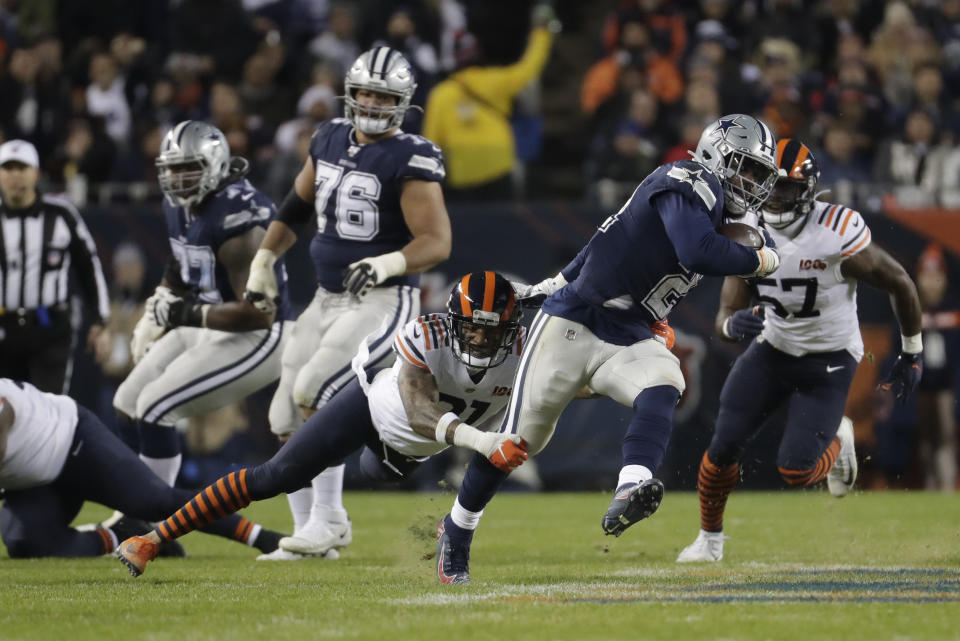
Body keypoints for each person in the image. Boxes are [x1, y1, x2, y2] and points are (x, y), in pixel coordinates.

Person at [433, 114, 783, 584]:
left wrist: (759, 243)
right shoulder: (687, 178)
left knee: (664, 381)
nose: (752, 182)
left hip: (631, 330)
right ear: (716, 154)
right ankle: (457, 530)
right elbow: (698, 251)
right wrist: (759, 257)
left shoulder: (730, 209)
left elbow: (605, 237)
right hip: (575, 323)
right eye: (747, 167)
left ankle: (631, 483)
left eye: (761, 175)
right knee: (516, 444)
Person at [115, 272, 527, 576]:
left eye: (492, 332)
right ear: (452, 320)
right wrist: (483, 439)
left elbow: (569, 384)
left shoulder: (524, 354)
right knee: (273, 475)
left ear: (511, 331)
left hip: (403, 456)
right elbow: (420, 411)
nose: (479, 340)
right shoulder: (426, 334)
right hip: (369, 409)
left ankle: (344, 520)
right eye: (472, 327)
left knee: (378, 473)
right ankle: (153, 539)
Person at [243, 46, 451, 560]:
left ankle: (331, 518)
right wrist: (264, 259)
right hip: (326, 296)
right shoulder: (330, 136)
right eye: (366, 91)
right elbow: (296, 203)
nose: (373, 102)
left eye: (385, 95)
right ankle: (308, 535)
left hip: (381, 299)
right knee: (283, 409)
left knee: (316, 387)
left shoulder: (410, 154)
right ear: (349, 92)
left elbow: (436, 241)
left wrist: (388, 263)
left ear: (403, 102)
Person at [676, 139, 924, 563]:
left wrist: (912, 349)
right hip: (772, 348)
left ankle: (838, 438)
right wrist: (733, 325)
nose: (776, 196)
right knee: (721, 447)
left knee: (796, 470)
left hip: (828, 359)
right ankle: (710, 541)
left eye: (788, 188)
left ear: (808, 189)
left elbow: (899, 280)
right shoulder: (749, 228)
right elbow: (725, 314)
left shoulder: (835, 231)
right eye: (771, 185)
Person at [113, 120, 291, 495]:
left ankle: (152, 518)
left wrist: (181, 314)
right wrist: (160, 300)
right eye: (172, 169)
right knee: (126, 402)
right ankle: (136, 503)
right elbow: (182, 257)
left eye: (188, 168)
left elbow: (260, 312)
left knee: (154, 406)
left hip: (259, 335)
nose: (177, 179)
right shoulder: (178, 205)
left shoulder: (239, 218)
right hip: (210, 326)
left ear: (216, 165)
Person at [0, 378, 285, 558]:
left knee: (155, 500)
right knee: (25, 545)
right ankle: (121, 535)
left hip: (72, 441)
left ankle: (263, 537)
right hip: (33, 481)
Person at [0, 139, 110, 394]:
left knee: (49, 410)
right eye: (8, 168)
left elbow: (89, 266)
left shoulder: (61, 215)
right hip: (3, 329)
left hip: (50, 329)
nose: (15, 175)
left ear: (36, 173)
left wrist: (100, 321)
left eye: (22, 167)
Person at [421, 4, 558, 201]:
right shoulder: (494, 81)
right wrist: (542, 32)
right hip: (498, 167)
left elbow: (430, 144)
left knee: (469, 230)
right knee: (502, 228)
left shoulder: (440, 94)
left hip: (462, 174)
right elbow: (529, 68)